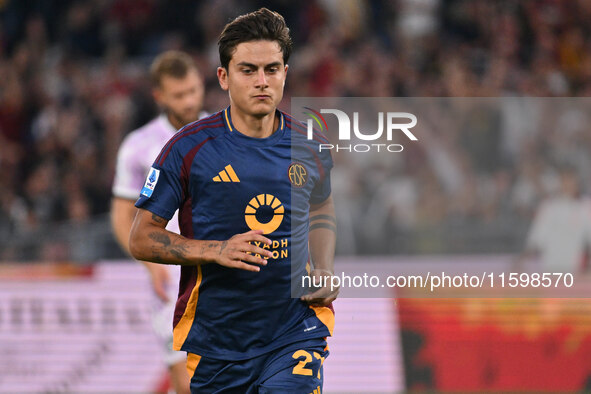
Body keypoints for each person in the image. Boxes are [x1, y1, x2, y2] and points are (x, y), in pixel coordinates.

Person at [128, 8, 337, 393]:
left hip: (295, 332)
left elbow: (321, 205)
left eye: (272, 69)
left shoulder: (311, 146)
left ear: (286, 73)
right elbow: (140, 237)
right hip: (216, 342)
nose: (262, 81)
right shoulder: (188, 149)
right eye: (248, 70)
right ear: (223, 77)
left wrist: (322, 269)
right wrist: (216, 249)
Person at [111, 50, 206, 394]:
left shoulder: (227, 133)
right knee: (187, 381)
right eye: (180, 95)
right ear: (159, 96)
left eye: (194, 90)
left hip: (221, 267)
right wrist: (150, 265)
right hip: (171, 273)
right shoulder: (138, 147)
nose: (190, 100)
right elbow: (123, 217)